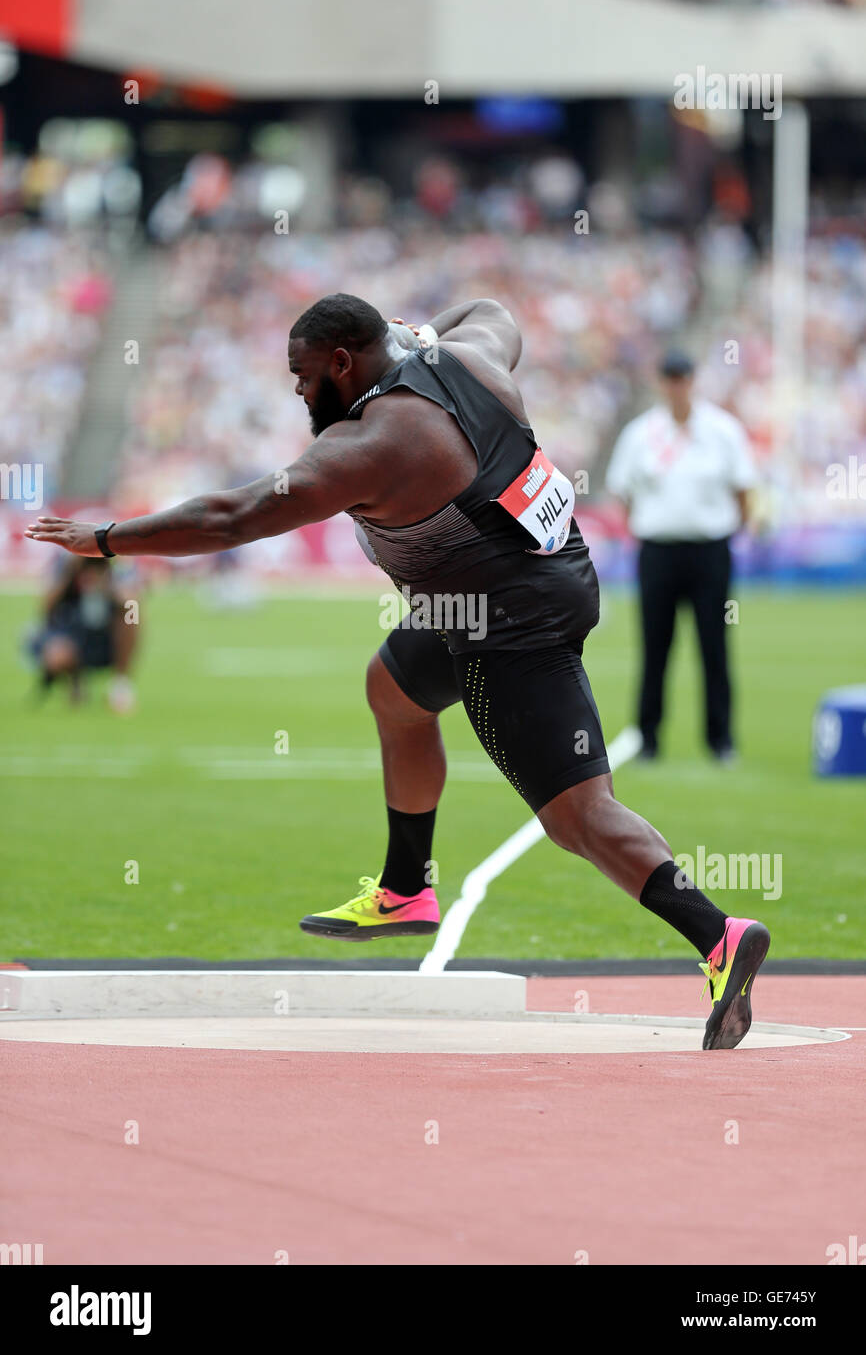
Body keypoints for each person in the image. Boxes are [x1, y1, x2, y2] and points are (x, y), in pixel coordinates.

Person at [26, 294, 769, 1049]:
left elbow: (231, 517)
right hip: (513, 586)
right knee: (395, 690)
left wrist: (106, 540)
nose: (297, 392)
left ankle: (716, 933)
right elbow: (492, 307)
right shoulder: (472, 354)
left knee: (576, 816)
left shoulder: (374, 445)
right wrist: (423, 331)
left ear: (344, 364)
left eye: (303, 375)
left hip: (507, 623)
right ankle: (407, 887)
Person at [606, 350, 757, 763]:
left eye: (683, 378)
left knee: (715, 646)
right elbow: (622, 492)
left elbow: (744, 489)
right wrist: (647, 526)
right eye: (670, 378)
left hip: (710, 551)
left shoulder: (723, 430)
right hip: (658, 552)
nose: (677, 386)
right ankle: (647, 740)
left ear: (693, 380)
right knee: (655, 648)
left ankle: (721, 740)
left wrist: (729, 531)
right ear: (662, 382)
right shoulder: (641, 434)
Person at [27, 555, 138, 712]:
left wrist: (107, 586)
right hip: (70, 633)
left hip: (105, 637)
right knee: (59, 655)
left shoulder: (119, 563)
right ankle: (74, 683)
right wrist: (71, 574)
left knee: (132, 619)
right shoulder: (65, 562)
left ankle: (120, 684)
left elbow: (133, 603)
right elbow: (45, 608)